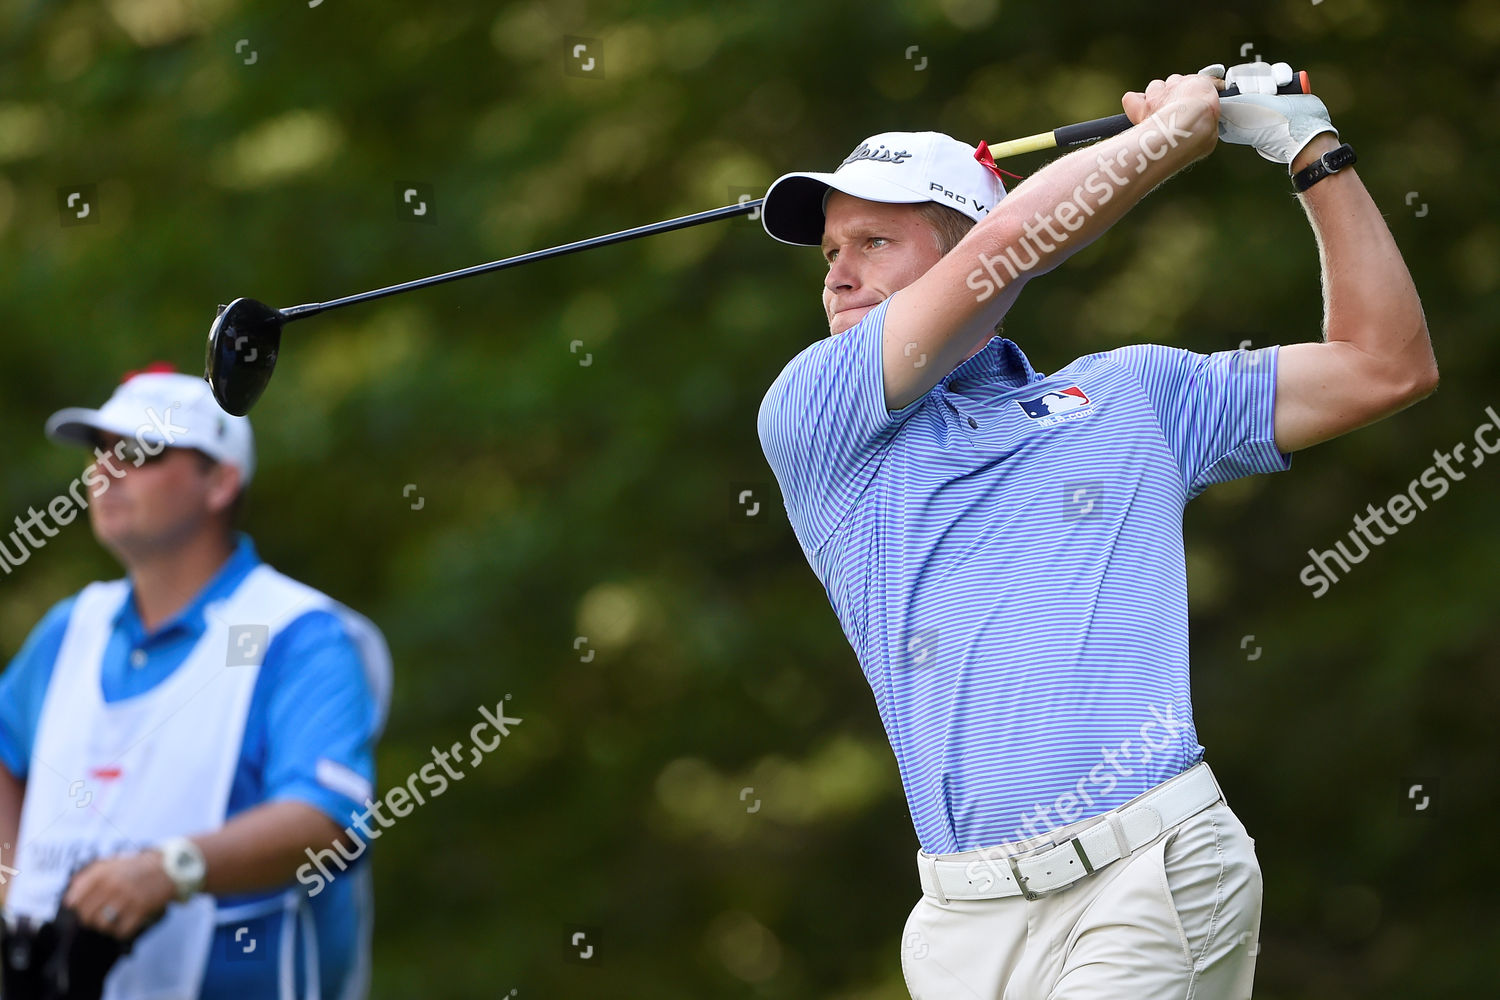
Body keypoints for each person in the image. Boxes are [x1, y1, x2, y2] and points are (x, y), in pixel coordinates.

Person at [755, 62, 1436, 998]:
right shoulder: (815, 415)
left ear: (957, 253)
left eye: (874, 241)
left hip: (1148, 871)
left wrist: (1310, 151)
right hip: (960, 926)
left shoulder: (1131, 396)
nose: (839, 275)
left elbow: (1385, 365)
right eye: (830, 252)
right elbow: (1007, 244)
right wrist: (1163, 138)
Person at [0, 365, 392, 998]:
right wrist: (14, 884)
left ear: (221, 482)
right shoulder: (71, 627)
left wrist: (171, 869)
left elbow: (329, 823)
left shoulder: (301, 634)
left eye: (144, 452)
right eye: (101, 451)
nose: (108, 470)